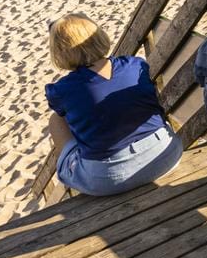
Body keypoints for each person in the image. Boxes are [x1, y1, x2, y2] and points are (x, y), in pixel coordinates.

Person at [45, 14, 183, 196]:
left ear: (60, 52)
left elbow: (67, 112)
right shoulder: (136, 64)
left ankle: (82, 164)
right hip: (166, 154)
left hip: (110, 178)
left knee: (56, 118)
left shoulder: (61, 89)